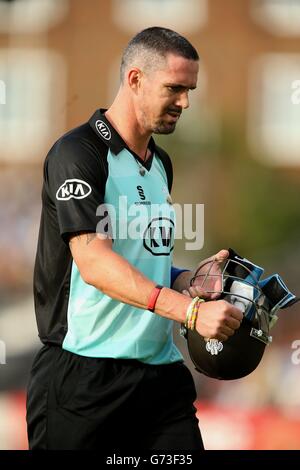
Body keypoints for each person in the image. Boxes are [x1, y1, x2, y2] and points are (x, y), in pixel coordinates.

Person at [27, 26, 243, 451]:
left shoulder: (161, 163)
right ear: (135, 79)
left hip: (160, 379)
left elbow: (146, 261)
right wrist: (190, 311)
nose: (185, 102)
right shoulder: (78, 153)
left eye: (190, 90)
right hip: (83, 380)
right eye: (175, 88)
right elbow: (95, 263)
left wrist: (190, 281)